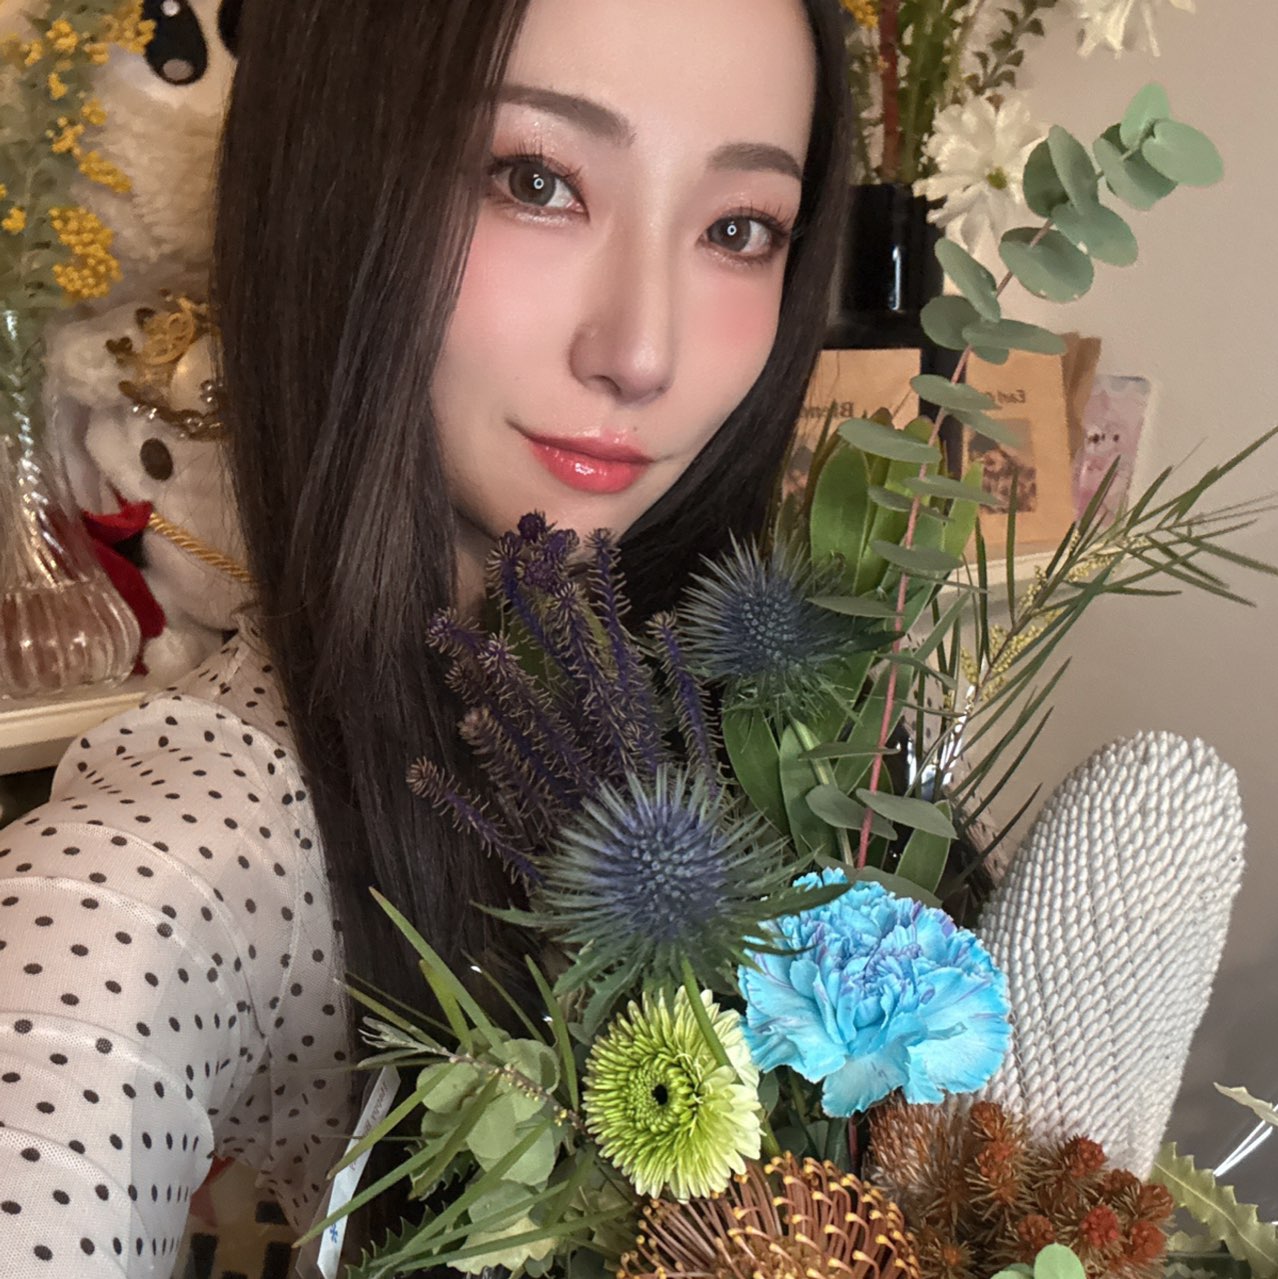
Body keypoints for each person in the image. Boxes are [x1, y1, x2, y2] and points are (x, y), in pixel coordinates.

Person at [0, 0, 850, 1271]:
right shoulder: (161, 869)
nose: (642, 351)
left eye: (739, 229)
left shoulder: (802, 727)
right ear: (336, 178)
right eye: (535, 180)